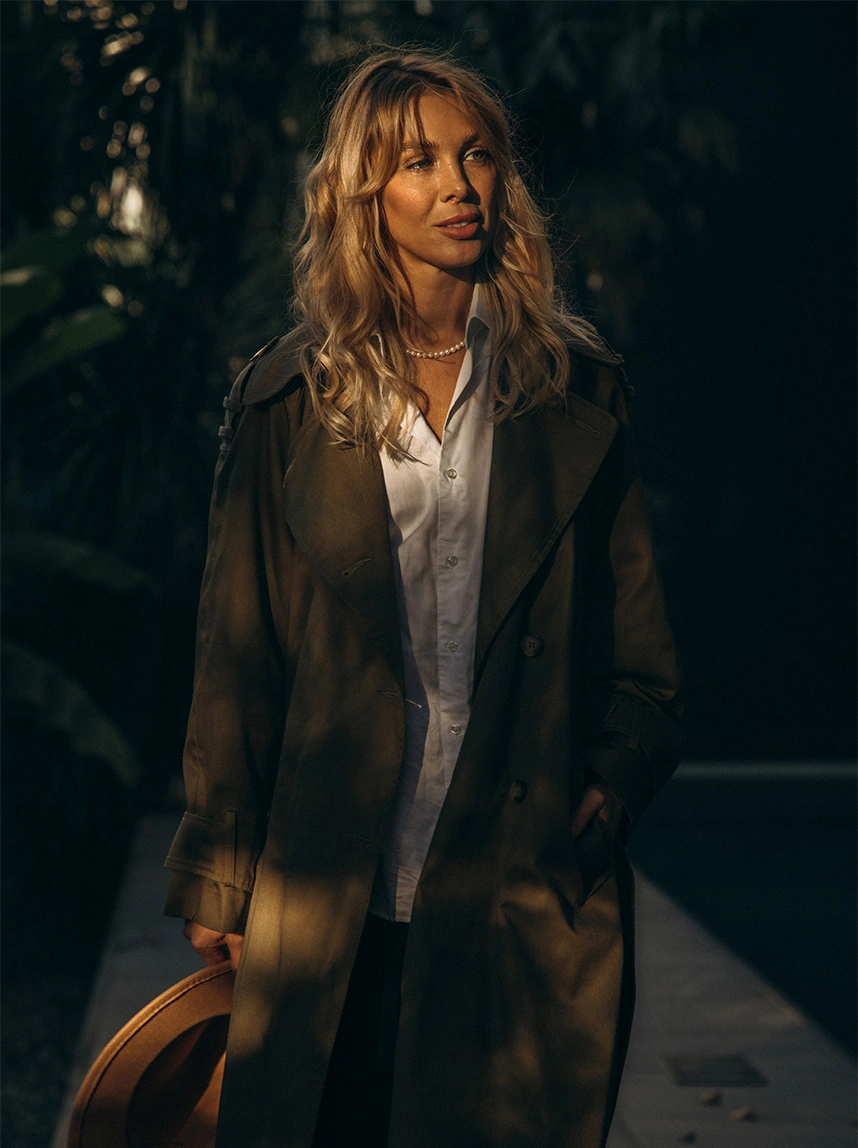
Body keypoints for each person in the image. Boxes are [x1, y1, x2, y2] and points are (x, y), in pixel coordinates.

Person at [164, 48, 684, 1148]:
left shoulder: (576, 389)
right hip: (331, 884)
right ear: (365, 194)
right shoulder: (287, 401)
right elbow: (237, 655)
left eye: (478, 155)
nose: (461, 184)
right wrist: (221, 861)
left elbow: (639, 651)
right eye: (420, 160)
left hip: (520, 885)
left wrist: (615, 775)